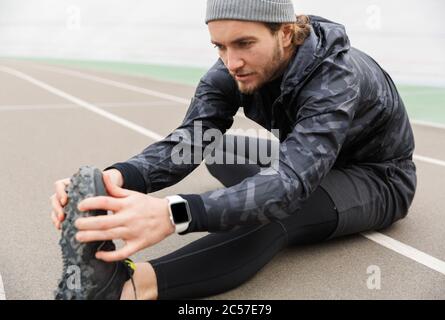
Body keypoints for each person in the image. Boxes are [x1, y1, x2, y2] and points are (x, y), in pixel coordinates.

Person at [50, 0, 417, 300]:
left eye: (244, 43)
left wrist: (176, 212)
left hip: (376, 177)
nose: (231, 62)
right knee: (218, 148)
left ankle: (127, 288)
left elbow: (289, 183)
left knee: (277, 208)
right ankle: (255, 193)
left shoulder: (336, 76)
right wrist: (116, 180)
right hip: (308, 158)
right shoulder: (231, 69)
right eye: (220, 46)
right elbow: (191, 138)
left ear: (285, 33)